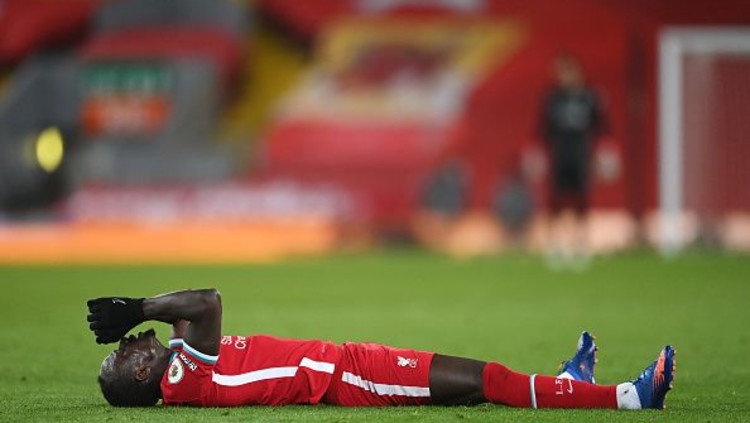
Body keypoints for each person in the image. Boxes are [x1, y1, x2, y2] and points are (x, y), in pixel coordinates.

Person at [87, 289, 675, 409]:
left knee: (472, 387)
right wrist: (137, 308)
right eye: (123, 354)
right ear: (140, 375)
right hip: (352, 377)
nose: (130, 344)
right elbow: (207, 302)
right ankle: (627, 397)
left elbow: (188, 310)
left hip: (350, 365)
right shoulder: (182, 379)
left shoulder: (179, 362)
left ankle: (568, 383)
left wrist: (141, 312)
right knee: (484, 378)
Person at [540, 53, 607, 268]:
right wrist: (538, 155)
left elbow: (602, 128)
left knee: (581, 200)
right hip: (559, 154)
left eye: (568, 71)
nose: (564, 76)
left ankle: (580, 244)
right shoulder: (553, 98)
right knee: (556, 201)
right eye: (561, 72)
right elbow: (543, 130)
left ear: (578, 72)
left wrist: (603, 155)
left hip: (581, 154)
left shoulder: (590, 97)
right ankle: (555, 245)